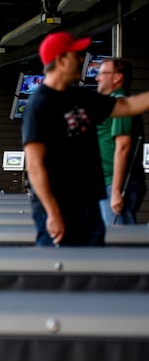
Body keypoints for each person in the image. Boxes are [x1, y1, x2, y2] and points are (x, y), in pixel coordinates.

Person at [23, 31, 149, 247]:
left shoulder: (80, 96)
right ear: (61, 60)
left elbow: (127, 106)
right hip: (57, 208)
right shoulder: (39, 104)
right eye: (76, 55)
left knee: (93, 273)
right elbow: (34, 166)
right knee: (58, 275)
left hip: (89, 206)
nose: (82, 60)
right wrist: (52, 213)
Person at [96, 57, 146, 225]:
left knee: (119, 243)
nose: (97, 78)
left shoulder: (120, 103)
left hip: (116, 185)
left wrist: (116, 191)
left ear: (117, 77)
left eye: (103, 73)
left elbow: (123, 146)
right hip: (107, 183)